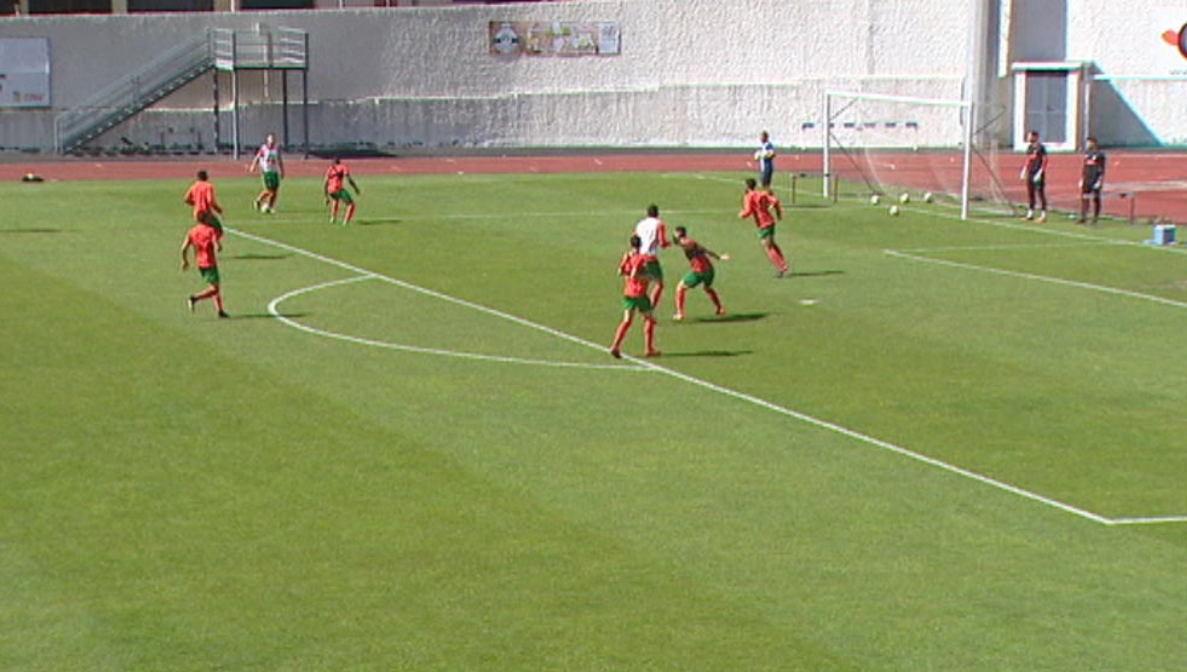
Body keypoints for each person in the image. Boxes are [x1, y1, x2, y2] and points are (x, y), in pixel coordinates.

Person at [609, 234, 660, 359]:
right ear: (641, 244)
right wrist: (649, 278)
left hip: (628, 293)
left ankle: (615, 346)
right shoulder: (641, 258)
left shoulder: (627, 256)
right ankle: (649, 349)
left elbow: (620, 272)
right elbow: (634, 274)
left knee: (627, 321)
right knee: (650, 319)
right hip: (640, 293)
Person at [672, 225, 728, 321]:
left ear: (679, 234)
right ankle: (720, 308)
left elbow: (685, 244)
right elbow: (706, 250)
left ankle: (680, 313)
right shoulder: (692, 242)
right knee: (707, 288)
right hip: (709, 270)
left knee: (680, 288)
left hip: (699, 271)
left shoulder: (687, 242)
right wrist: (718, 257)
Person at [739, 178, 790, 278]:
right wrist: (778, 213)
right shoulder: (761, 194)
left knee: (768, 247)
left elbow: (748, 210)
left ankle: (781, 267)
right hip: (770, 221)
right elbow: (775, 201)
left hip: (763, 223)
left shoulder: (749, 196)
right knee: (772, 244)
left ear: (747, 186)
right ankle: (783, 263)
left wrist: (742, 215)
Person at [180, 213, 228, 318]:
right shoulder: (210, 231)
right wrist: (218, 247)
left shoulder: (192, 231)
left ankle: (220, 310)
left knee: (214, 285)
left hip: (200, 263)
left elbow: (183, 248)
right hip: (209, 262)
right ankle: (194, 298)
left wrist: (185, 261)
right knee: (215, 289)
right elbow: (217, 245)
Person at [633, 204, 670, 310]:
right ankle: (650, 309)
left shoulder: (640, 224)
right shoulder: (659, 224)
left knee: (642, 282)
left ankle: (635, 305)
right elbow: (662, 242)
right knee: (659, 284)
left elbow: (635, 239)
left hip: (639, 256)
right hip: (650, 257)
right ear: (657, 213)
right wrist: (668, 243)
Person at [248, 133, 285, 214]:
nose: (272, 143)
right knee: (269, 190)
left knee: (275, 191)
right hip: (267, 172)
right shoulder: (264, 148)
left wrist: (282, 171)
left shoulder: (276, 149)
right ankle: (258, 200)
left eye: (273, 141)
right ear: (268, 141)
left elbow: (279, 160)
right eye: (270, 141)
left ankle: (270, 207)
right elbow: (257, 157)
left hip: (274, 172)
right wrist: (253, 166)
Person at [1019, 129, 1048, 222]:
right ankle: (1030, 213)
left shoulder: (1041, 147)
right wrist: (1024, 169)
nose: (1028, 138)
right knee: (1030, 193)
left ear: (1035, 137)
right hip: (1030, 172)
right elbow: (1028, 159)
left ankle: (1043, 215)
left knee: (1040, 194)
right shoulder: (1030, 147)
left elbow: (1045, 160)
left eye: (1030, 136)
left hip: (1038, 172)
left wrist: (1040, 172)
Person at [183, 169, 224, 234]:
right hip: (205, 213)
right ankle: (207, 242)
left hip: (197, 214)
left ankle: (205, 240)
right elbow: (210, 201)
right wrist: (219, 210)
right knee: (218, 229)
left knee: (207, 229)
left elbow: (186, 199)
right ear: (206, 177)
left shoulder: (194, 186)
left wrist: (196, 203)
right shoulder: (208, 186)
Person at [324, 158, 362, 225]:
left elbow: (325, 183)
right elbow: (349, 179)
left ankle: (333, 218)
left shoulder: (330, 169)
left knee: (335, 199)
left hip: (330, 190)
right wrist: (356, 188)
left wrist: (326, 196)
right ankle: (346, 222)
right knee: (351, 205)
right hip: (337, 188)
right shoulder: (342, 167)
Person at [1079, 136, 1106, 224]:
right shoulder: (1087, 153)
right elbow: (1085, 167)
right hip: (1087, 178)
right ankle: (1084, 216)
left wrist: (1099, 180)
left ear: (1094, 143)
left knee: (1096, 198)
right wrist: (1082, 178)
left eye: (1089, 142)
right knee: (1084, 197)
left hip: (1095, 178)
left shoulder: (1100, 154)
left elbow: (1102, 169)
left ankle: (1096, 217)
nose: (1087, 144)